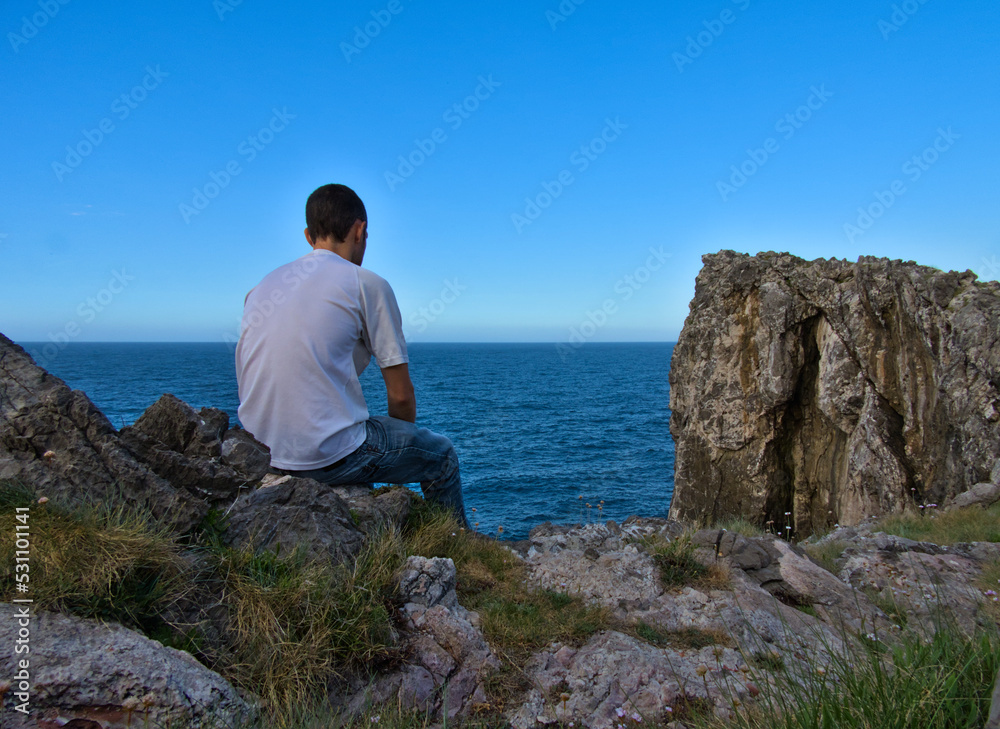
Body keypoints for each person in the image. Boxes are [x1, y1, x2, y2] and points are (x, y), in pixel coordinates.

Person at [234, 183, 468, 527]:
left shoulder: (260, 289)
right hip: (325, 458)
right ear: (359, 231)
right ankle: (457, 544)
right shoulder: (366, 284)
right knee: (442, 455)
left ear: (308, 235)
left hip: (261, 453)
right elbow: (401, 397)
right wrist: (401, 453)